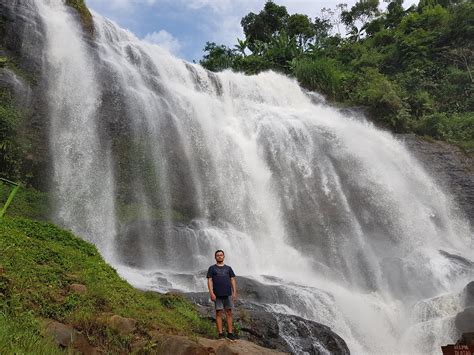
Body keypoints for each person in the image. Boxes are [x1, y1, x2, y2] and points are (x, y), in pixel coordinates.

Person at [206, 249, 238, 340]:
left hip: (227, 294)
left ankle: (230, 333)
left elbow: (232, 279)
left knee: (229, 313)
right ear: (215, 257)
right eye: (218, 255)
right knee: (218, 312)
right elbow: (209, 280)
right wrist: (211, 292)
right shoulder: (212, 268)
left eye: (221, 255)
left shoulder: (228, 268)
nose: (219, 256)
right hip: (217, 294)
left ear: (224, 256)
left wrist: (234, 292)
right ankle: (220, 334)